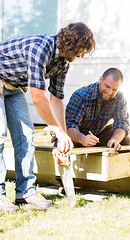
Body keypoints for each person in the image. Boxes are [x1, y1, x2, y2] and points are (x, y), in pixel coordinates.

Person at [0, 22, 96, 211]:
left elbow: (57, 100)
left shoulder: (62, 64)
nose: (82, 55)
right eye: (81, 50)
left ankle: (26, 192)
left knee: (26, 136)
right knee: (0, 135)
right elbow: (38, 98)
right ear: (72, 43)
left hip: (13, 86)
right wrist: (58, 131)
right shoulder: (40, 47)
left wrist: (62, 138)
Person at [66, 67, 130, 150]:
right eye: (107, 86)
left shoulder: (119, 98)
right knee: (68, 147)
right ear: (100, 80)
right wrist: (82, 139)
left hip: (96, 137)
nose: (109, 92)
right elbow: (69, 127)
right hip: (75, 138)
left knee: (125, 140)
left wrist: (115, 140)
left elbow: (122, 124)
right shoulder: (81, 96)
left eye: (114, 89)